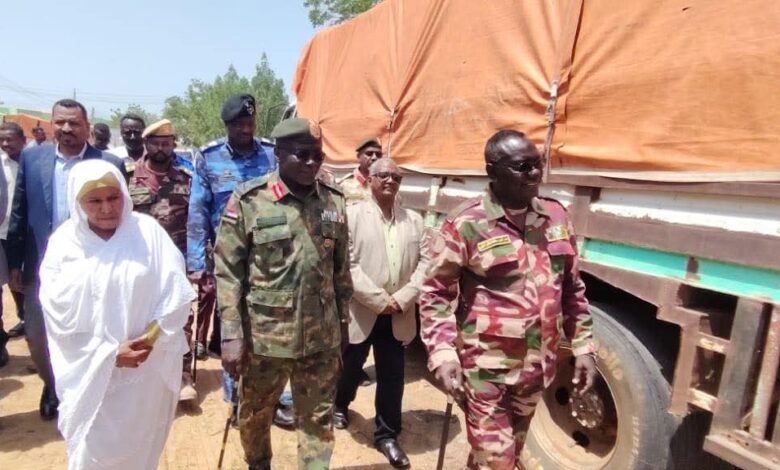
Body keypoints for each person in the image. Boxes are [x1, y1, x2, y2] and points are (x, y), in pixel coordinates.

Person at [419, 129, 598, 469]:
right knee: (498, 461)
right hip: (486, 370)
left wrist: (583, 346)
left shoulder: (556, 216)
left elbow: (572, 287)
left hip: (537, 368)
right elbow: (436, 292)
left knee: (506, 451)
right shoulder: (467, 222)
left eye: (538, 163)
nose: (535, 173)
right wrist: (442, 353)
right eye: (522, 166)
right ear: (493, 172)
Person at [39, 159, 195, 470]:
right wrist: (109, 355)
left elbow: (176, 292)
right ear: (77, 202)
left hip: (145, 369)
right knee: (91, 452)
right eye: (94, 201)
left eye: (113, 197)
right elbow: (57, 315)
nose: (107, 208)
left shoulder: (147, 232)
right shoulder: (64, 245)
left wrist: (150, 339)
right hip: (89, 374)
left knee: (140, 449)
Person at [215, 117, 352, 470]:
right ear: (278, 153)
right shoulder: (249, 200)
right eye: (302, 155)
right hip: (265, 340)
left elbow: (341, 271)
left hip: (320, 339)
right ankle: (259, 463)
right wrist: (231, 334)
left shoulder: (334, 201)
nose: (311, 163)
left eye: (318, 156)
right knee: (255, 415)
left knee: (318, 420)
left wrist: (343, 326)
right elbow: (228, 271)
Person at [7, 99, 127, 420]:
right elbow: (19, 211)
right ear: (52, 124)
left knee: (90, 330)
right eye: (60, 122)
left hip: (95, 267)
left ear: (87, 127)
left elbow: (122, 216)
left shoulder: (109, 163)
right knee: (37, 333)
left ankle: (89, 389)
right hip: (41, 266)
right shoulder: (33, 159)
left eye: (74, 123)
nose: (66, 128)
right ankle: (53, 385)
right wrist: (15, 262)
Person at [187, 93, 286, 424]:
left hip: (270, 259)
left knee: (272, 324)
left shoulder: (272, 154)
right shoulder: (209, 158)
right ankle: (236, 401)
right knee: (233, 327)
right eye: (238, 125)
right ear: (227, 125)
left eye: (250, 123)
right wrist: (197, 263)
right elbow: (198, 212)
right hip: (229, 260)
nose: (245, 129)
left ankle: (271, 397)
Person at [333, 158, 428, 469]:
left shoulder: (414, 220)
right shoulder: (351, 216)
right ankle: (339, 404)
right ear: (370, 179)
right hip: (363, 310)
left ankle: (387, 435)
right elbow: (346, 264)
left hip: (398, 312)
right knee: (351, 365)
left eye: (396, 177)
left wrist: (402, 299)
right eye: (383, 175)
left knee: (392, 376)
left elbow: (426, 264)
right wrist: (378, 300)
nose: (390, 180)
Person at [128, 118, 197, 402]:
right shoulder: (127, 176)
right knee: (139, 315)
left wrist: (197, 261)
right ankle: (143, 375)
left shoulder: (186, 178)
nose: (161, 148)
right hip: (138, 260)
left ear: (173, 145)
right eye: (155, 143)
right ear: (146, 144)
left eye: (166, 143)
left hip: (177, 260)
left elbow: (196, 221)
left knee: (181, 315)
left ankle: (183, 375)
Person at [0, 123, 26, 344]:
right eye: (2, 140)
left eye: (10, 139)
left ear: (23, 140)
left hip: (26, 234)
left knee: (27, 279)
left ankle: (29, 318)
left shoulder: (32, 164)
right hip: (3, 233)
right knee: (8, 280)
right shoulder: (1, 165)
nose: (6, 143)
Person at [338, 137, 383, 205]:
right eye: (369, 154)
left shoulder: (386, 184)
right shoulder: (344, 185)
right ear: (359, 157)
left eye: (378, 155)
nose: (374, 157)